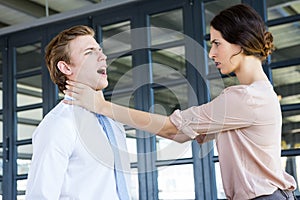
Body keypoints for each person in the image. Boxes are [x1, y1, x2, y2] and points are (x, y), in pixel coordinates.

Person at [63, 4, 297, 200]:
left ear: (240, 43)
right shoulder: (256, 94)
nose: (211, 53)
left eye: (217, 43)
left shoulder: (246, 97)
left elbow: (172, 129)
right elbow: (182, 134)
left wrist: (102, 106)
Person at [25, 25, 131, 200]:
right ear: (66, 68)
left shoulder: (112, 122)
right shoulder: (59, 124)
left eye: (100, 50)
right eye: (89, 52)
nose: (103, 57)